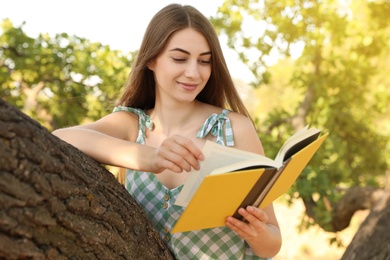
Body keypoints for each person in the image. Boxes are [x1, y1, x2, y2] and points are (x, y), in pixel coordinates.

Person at [53, 3, 282, 259]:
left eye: (204, 61)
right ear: (151, 59)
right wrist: (149, 157)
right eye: (179, 59)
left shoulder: (234, 129)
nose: (193, 72)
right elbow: (62, 138)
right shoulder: (132, 125)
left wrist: (256, 233)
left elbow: (272, 243)